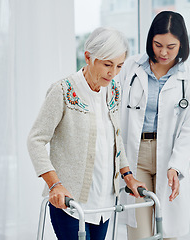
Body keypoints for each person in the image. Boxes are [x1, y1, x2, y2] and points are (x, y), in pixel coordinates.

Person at [27, 27, 146, 240]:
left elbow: (115, 139)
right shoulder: (63, 91)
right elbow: (35, 140)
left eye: (119, 65)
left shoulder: (114, 90)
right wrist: (54, 184)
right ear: (88, 57)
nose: (113, 72)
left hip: (104, 201)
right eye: (107, 64)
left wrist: (128, 176)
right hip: (70, 202)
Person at [116, 11, 190, 240]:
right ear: (150, 41)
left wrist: (176, 165)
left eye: (171, 46)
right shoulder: (130, 68)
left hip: (170, 158)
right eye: (158, 45)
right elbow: (113, 108)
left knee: (169, 231)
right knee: (139, 233)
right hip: (136, 156)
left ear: (182, 44)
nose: (163, 52)